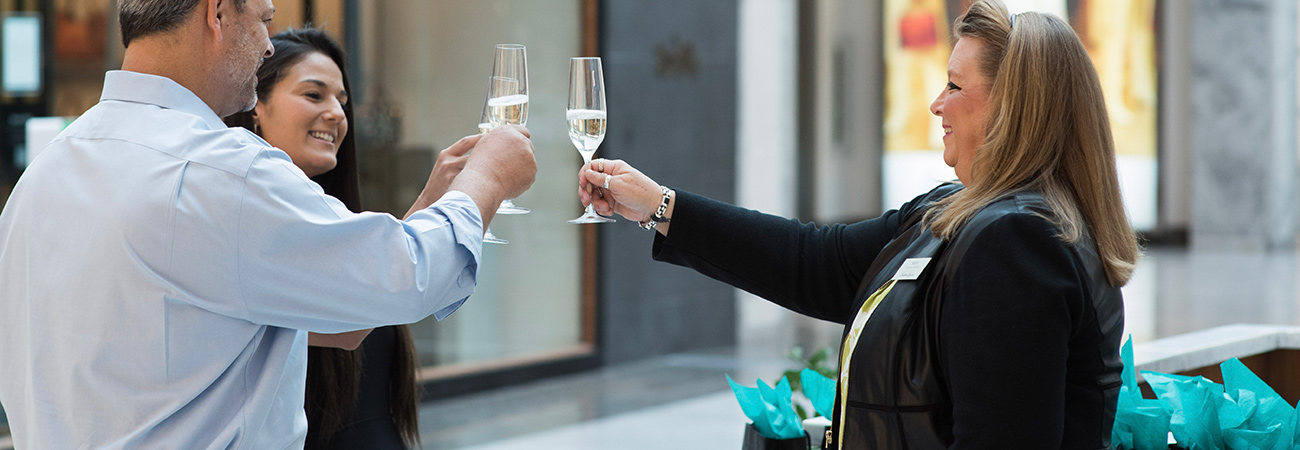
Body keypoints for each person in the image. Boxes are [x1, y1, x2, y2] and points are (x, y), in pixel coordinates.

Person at [578, 1, 1138, 448]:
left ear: (1015, 107)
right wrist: (659, 205)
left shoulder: (1015, 244)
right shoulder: (957, 212)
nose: (936, 104)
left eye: (956, 85)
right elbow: (816, 262)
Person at [0, 0, 535, 448]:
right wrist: (489, 175)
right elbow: (411, 275)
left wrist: (430, 204)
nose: (267, 45)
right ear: (217, 14)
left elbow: (344, 321)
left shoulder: (44, 174)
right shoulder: (223, 170)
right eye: (263, 18)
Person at [224, 28, 443, 449]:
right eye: (314, 95)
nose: (337, 114)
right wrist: (475, 193)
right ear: (256, 108)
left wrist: (434, 200)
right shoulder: (244, 235)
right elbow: (351, 324)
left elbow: (378, 290)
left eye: (342, 101)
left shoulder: (341, 224)